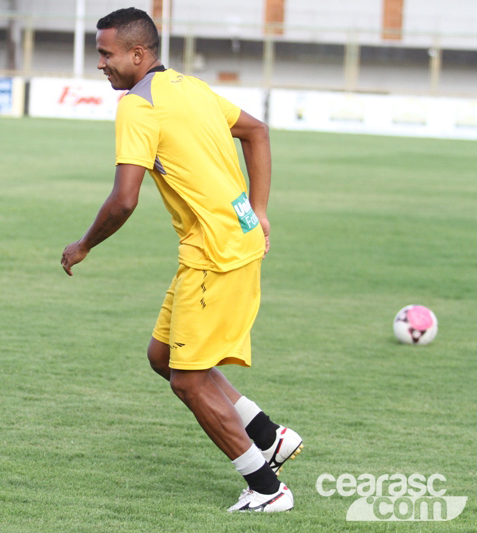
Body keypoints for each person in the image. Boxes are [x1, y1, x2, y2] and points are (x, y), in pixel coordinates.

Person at [60, 7, 303, 513]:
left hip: (215, 254)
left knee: (189, 379)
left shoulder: (137, 106)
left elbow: (124, 199)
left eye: (106, 54)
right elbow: (257, 131)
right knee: (163, 357)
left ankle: (266, 488)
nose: (100, 63)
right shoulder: (189, 87)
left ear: (137, 54)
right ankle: (269, 435)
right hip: (222, 243)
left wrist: (83, 245)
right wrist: (257, 211)